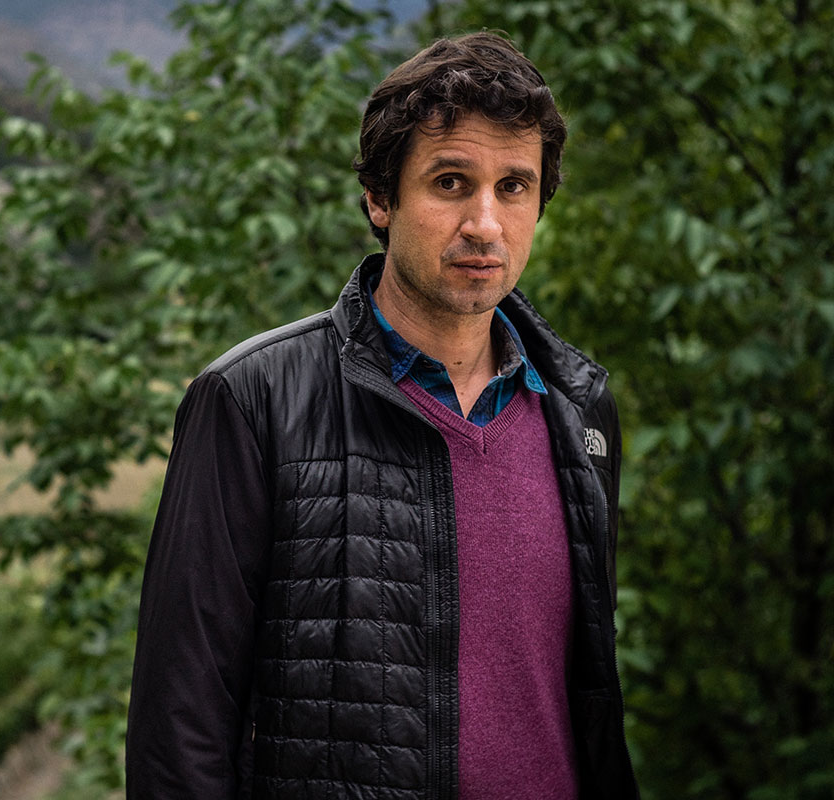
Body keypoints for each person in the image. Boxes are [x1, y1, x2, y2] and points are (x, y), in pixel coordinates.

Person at [126, 31, 639, 799]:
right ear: (379, 198)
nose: (485, 223)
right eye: (451, 182)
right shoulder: (252, 400)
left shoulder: (580, 409)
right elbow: (179, 736)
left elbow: (586, 700)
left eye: (513, 186)